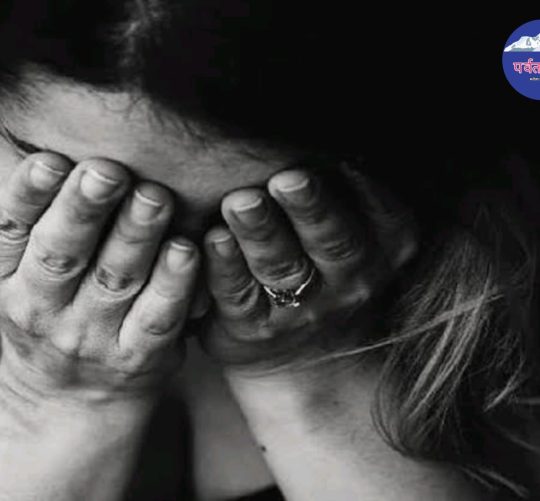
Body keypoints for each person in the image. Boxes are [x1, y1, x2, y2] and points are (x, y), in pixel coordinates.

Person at [0, 2, 538, 500]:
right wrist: (52, 402)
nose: (169, 273)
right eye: (87, 196)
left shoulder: (505, 304)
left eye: (256, 217)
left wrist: (314, 374)